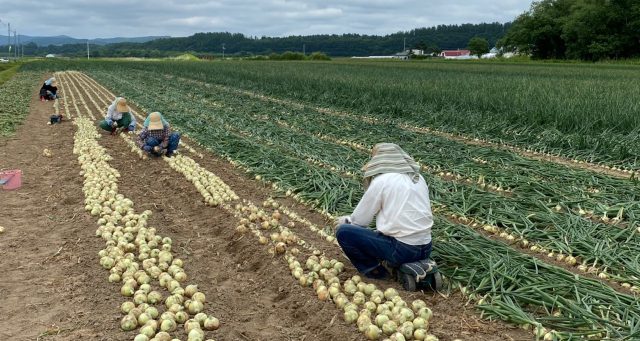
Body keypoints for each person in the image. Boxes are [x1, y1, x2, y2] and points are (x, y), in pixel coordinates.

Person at [335, 143, 433, 280]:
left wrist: (346, 221)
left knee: (344, 232)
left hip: (402, 250)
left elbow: (360, 221)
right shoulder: (418, 178)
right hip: (426, 247)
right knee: (385, 233)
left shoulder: (382, 181)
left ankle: (376, 271)